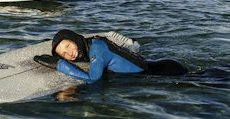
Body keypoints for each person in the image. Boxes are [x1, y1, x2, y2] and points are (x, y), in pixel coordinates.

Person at [34, 29, 187, 83]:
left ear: (74, 39)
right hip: (159, 67)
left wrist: (59, 64)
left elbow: (93, 79)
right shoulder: (91, 44)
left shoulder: (97, 50)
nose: (70, 53)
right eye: (64, 54)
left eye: (68, 46)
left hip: (166, 71)